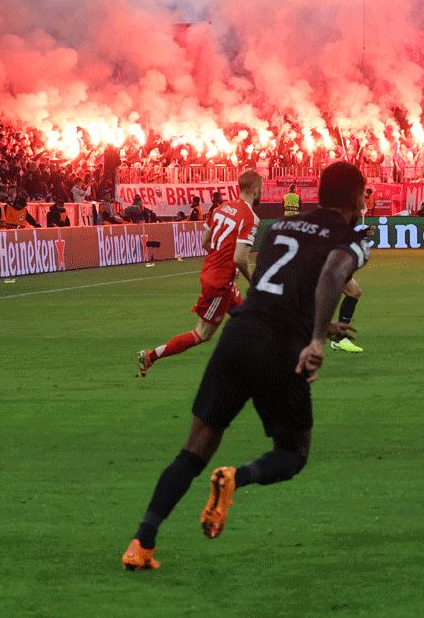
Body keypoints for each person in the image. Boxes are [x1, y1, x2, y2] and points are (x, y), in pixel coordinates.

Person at [121, 162, 370, 570]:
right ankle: (236, 478)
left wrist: (317, 323)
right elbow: (331, 274)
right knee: (293, 452)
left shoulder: (280, 228)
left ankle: (141, 542)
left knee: (194, 448)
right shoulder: (353, 238)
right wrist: (317, 337)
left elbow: (277, 285)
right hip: (282, 348)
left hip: (240, 335)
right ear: (357, 196)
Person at [138, 171, 263, 377]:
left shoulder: (221, 208)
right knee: (202, 334)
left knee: (249, 318)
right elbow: (240, 258)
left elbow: (206, 241)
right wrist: (254, 282)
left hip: (214, 274)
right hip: (219, 284)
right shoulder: (250, 217)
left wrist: (224, 262)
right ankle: (150, 355)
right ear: (256, 190)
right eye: (262, 190)